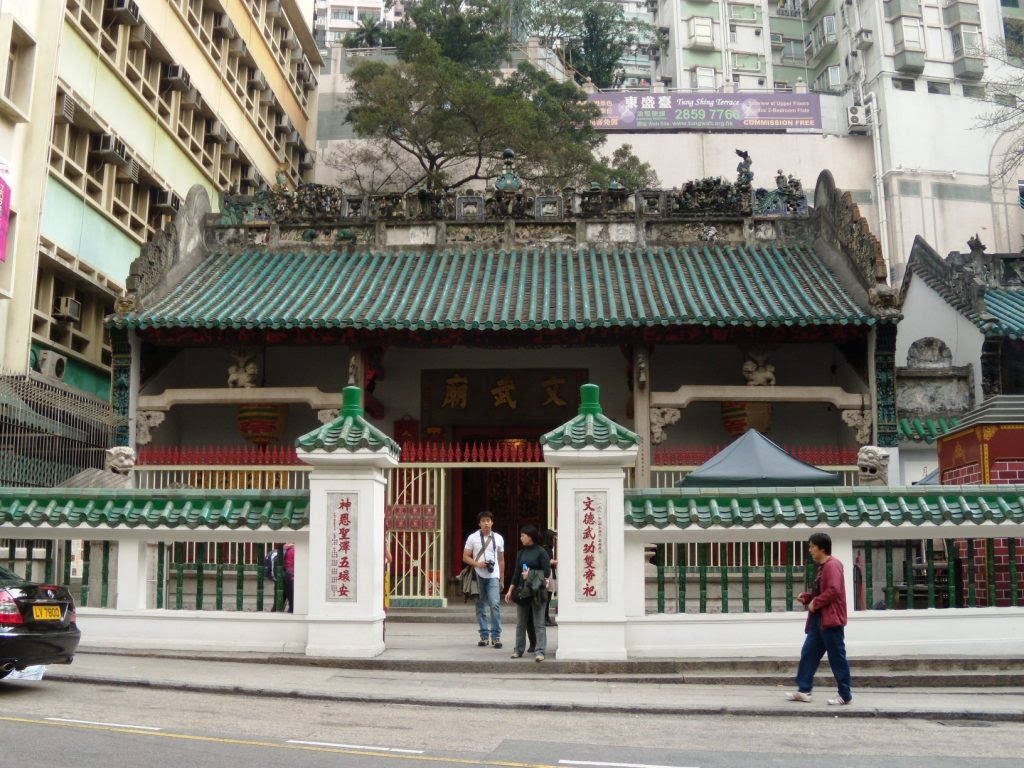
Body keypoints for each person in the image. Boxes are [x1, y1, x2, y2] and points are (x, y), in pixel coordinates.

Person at [785, 532, 852, 706]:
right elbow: (822, 592)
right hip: (819, 620)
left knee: (837, 657)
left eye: (812, 547)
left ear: (822, 548)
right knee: (808, 653)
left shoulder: (832, 565)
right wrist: (808, 598)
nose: (810, 550)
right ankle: (804, 690)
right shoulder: (823, 567)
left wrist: (816, 602)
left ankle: (845, 694)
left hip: (830, 620)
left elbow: (834, 590)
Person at [504, 524, 551, 662]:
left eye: (523, 535)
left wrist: (530, 575)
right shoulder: (521, 553)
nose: (521, 538)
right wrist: (510, 589)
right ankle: (518, 649)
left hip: (537, 591)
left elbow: (547, 572)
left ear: (530, 537)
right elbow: (516, 574)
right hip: (523, 591)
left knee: (539, 623)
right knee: (521, 623)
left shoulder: (541, 552)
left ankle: (540, 651)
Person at [463, 511, 505, 648]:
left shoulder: (498, 538)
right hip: (477, 575)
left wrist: (502, 579)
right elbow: (465, 557)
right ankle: (484, 635)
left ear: (492, 522)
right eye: (483, 521)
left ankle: (496, 636)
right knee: (480, 606)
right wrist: (478, 564)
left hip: (493, 575)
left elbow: (501, 559)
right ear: (479, 523)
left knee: (495, 604)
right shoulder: (472, 538)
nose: (486, 523)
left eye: (489, 520)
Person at [283, 543, 295, 614]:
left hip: (286, 574)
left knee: (288, 594)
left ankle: (289, 609)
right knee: (292, 595)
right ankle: (291, 609)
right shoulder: (294, 550)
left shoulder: (286, 549)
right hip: (292, 575)